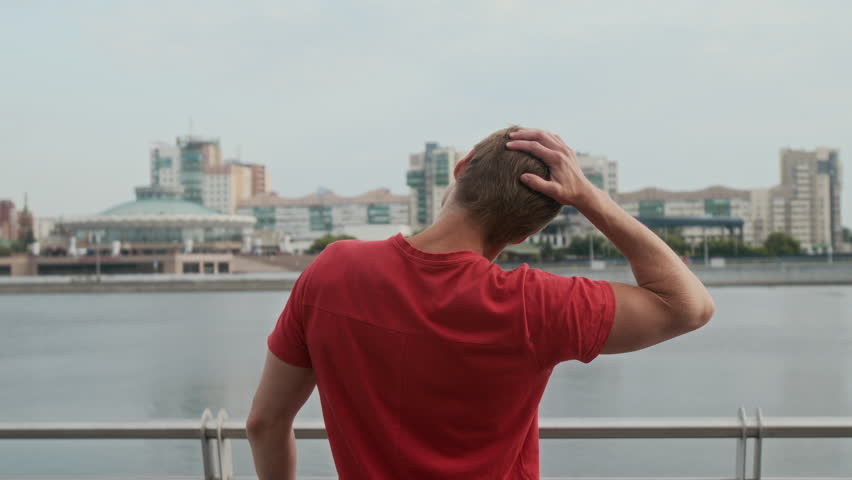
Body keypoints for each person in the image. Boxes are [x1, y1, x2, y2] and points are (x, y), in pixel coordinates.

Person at [247, 126, 714, 480]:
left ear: (461, 167)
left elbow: (265, 424)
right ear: (527, 233)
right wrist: (591, 200)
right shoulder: (534, 305)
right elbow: (689, 305)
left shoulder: (333, 271)